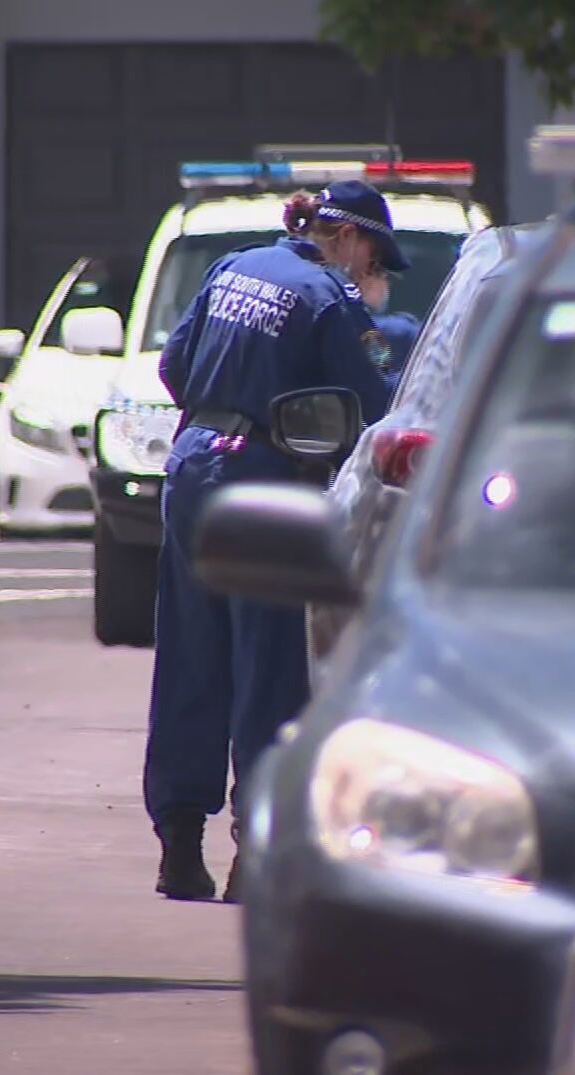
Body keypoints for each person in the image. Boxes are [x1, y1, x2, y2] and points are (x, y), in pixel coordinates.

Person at [145, 179, 407, 903]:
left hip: (193, 466)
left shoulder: (232, 267)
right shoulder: (330, 301)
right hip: (264, 479)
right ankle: (252, 855)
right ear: (349, 238)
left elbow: (173, 367)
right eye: (374, 257)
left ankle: (179, 844)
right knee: (266, 668)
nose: (371, 273)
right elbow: (370, 410)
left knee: (190, 655)